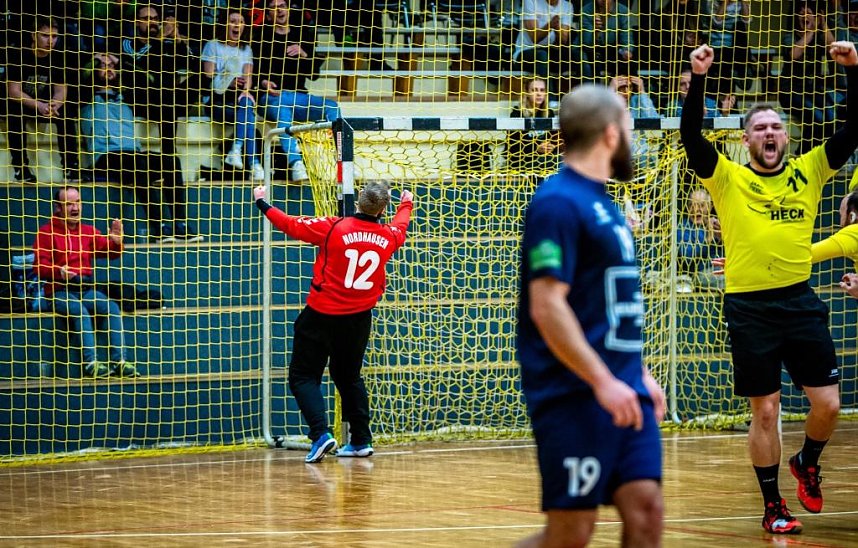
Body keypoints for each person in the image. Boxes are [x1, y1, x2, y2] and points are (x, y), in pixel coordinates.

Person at [679, 41, 858, 534]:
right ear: (746, 139)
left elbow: (854, 130)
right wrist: (698, 79)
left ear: (788, 136)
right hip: (749, 308)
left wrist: (853, 70)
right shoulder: (727, 177)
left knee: (828, 405)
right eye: (759, 127)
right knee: (767, 409)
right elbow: (692, 136)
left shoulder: (811, 169)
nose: (769, 132)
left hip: (799, 301)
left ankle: (808, 461)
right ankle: (773, 505)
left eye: (776, 126)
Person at [516, 84, 665, 548]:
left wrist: (639, 373)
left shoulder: (607, 204)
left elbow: (603, 303)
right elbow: (548, 305)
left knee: (647, 511)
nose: (632, 137)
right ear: (609, 134)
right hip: (575, 395)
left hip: (627, 389)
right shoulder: (558, 202)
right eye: (628, 126)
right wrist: (603, 381)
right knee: (571, 534)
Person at [252, 181, 414, 463]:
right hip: (358, 320)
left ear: (357, 202)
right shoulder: (389, 235)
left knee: (303, 376)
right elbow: (402, 224)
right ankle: (361, 440)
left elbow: (290, 225)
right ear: (383, 208)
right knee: (349, 377)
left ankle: (320, 434)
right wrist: (406, 203)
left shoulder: (333, 227)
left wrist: (262, 203)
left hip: (321, 316)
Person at [79, 53, 201, 244]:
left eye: (111, 65)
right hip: (106, 157)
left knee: (171, 161)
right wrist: (92, 60)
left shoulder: (127, 98)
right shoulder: (84, 97)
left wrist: (122, 62)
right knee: (138, 162)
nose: (108, 69)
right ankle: (159, 227)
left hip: (133, 155)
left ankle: (180, 225)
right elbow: (78, 75)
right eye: (103, 65)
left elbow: (147, 82)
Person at [32, 186, 140, 379]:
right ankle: (91, 363)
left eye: (78, 202)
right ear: (58, 208)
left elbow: (111, 253)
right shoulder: (46, 232)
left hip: (85, 288)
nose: (75, 208)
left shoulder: (88, 230)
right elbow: (38, 266)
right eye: (69, 204)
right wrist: (59, 272)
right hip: (59, 291)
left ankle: (120, 362)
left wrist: (116, 242)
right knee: (79, 310)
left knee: (112, 307)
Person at [253, 0, 340, 183]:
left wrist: (304, 53)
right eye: (274, 7)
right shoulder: (261, 36)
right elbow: (251, 70)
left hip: (298, 96)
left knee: (333, 108)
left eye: (282, 5)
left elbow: (314, 74)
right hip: (271, 97)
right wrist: (262, 82)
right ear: (268, 14)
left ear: (289, 10)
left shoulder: (302, 35)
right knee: (283, 105)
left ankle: (343, 161)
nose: (279, 10)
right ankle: (296, 163)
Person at [5, 15, 82, 183]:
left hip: (46, 105)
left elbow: (62, 91)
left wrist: (55, 103)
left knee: (66, 111)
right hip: (26, 103)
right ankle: (20, 168)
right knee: (13, 111)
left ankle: (71, 168)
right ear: (33, 35)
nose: (50, 41)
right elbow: (13, 92)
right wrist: (38, 105)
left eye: (54, 36)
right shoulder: (18, 55)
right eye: (45, 36)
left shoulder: (59, 57)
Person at [201, 5, 265, 181]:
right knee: (248, 116)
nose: (237, 25)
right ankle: (254, 163)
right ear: (225, 24)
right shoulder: (212, 46)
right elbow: (209, 78)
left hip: (237, 101)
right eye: (233, 21)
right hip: (216, 102)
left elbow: (248, 77)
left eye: (241, 22)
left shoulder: (246, 49)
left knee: (247, 103)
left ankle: (236, 150)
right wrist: (230, 82)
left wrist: (245, 90)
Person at [512, 0, 576, 96]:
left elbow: (563, 41)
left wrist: (558, 28)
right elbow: (534, 37)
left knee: (579, 56)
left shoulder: (567, 6)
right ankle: (549, 102)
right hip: (525, 52)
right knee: (542, 55)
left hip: (550, 52)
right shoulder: (530, 2)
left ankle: (592, 100)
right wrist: (550, 25)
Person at [506, 78, 560, 176]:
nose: (539, 94)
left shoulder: (549, 113)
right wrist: (536, 149)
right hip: (522, 163)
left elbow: (553, 140)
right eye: (534, 90)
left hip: (546, 160)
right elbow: (512, 148)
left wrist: (552, 147)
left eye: (542, 90)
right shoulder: (517, 114)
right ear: (526, 93)